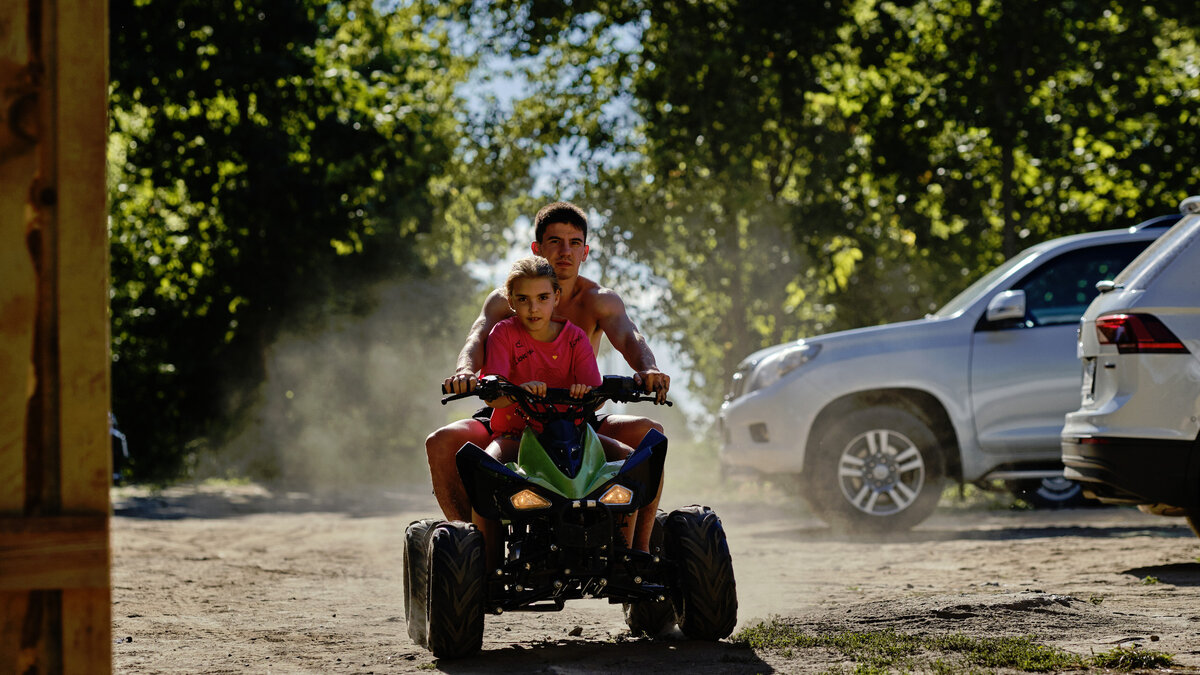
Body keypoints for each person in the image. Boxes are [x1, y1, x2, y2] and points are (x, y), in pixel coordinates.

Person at [427, 200, 669, 552]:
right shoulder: (507, 300)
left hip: (576, 417)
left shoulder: (598, 301)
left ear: (585, 251)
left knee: (650, 439)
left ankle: (638, 553)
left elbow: (631, 337)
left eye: (574, 243)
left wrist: (647, 369)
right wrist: (465, 371)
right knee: (443, 442)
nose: (565, 251)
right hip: (511, 413)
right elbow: (477, 338)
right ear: (537, 248)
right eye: (554, 241)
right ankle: (472, 549)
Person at [473, 255, 636, 563]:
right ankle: (486, 564)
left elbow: (594, 393)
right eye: (523, 299)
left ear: (555, 298)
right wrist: (518, 392)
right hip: (514, 435)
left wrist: (584, 392)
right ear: (510, 300)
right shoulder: (504, 334)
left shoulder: (574, 336)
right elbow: (492, 397)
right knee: (486, 472)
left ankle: (625, 552)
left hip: (572, 435)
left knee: (632, 464)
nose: (533, 308)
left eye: (542, 298)